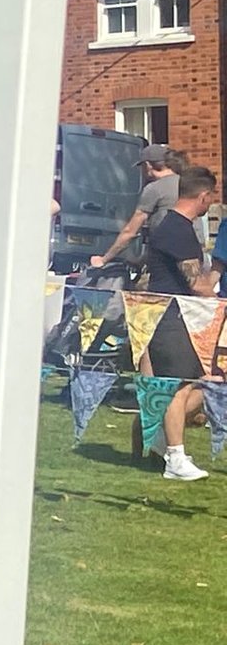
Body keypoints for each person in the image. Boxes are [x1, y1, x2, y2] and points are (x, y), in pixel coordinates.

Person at [141, 165, 219, 481]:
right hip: (170, 316)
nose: (210, 204)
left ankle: (159, 436)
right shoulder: (178, 230)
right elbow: (195, 284)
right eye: (210, 197)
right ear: (203, 196)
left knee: (200, 381)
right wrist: (214, 289)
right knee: (178, 385)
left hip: (178, 315)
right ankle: (175, 457)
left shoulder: (174, 226)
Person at [93, 144, 185, 269]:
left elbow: (130, 231)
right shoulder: (187, 182)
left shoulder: (154, 188)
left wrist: (104, 259)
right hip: (192, 255)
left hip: (167, 258)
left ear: (148, 166)